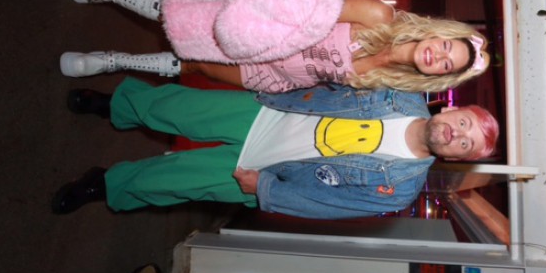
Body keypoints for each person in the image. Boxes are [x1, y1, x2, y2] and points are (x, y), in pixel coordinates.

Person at [53, 79, 499, 219]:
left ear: (455, 157)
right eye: (463, 124)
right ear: (452, 109)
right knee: (175, 107)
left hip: (267, 172)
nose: (455, 135)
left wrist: (266, 190)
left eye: (466, 144)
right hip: (268, 111)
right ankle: (114, 104)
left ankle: (105, 185)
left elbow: (327, 205)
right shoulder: (401, 92)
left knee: (170, 181)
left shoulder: (400, 189)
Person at [41, 0, 490, 94]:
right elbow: (306, 2)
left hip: (274, 76)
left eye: (445, 64)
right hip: (258, 34)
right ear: (439, 32)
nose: (438, 56)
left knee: (196, 67)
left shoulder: (392, 82)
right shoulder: (379, 17)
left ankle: (113, 61)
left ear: (439, 76)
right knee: (173, 14)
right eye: (446, 47)